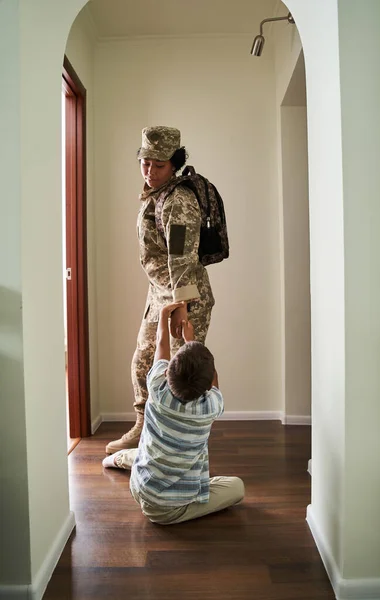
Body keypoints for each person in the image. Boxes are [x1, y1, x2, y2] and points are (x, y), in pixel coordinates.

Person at [106, 126, 215, 455]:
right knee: (143, 363)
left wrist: (181, 308)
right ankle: (144, 429)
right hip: (161, 293)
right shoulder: (156, 194)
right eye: (145, 163)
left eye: (159, 165)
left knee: (181, 374)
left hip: (185, 296)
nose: (150, 171)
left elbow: (181, 258)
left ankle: (182, 444)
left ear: (174, 164)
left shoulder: (178, 201)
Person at [103, 301, 245, 525]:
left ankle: (119, 459)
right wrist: (193, 341)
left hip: (138, 488)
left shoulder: (157, 388)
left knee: (150, 453)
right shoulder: (209, 407)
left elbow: (161, 345)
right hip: (166, 511)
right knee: (237, 487)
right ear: (207, 384)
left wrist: (162, 315)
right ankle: (126, 460)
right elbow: (214, 383)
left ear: (168, 370)